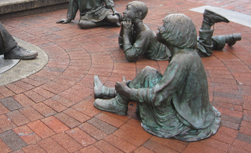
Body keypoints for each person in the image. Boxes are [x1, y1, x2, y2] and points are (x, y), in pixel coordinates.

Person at [93, 13, 221, 142]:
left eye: (164, 26)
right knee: (149, 72)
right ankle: (116, 97)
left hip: (182, 119)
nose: (159, 28)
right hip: (188, 109)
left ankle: (119, 101)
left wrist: (129, 92)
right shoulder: (186, 54)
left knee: (147, 75)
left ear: (174, 34)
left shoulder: (181, 61)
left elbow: (158, 96)